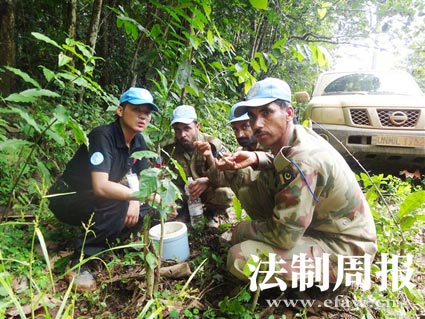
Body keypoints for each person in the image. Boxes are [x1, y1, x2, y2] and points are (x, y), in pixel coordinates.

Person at [217, 77, 377, 289]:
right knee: (255, 182)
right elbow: (283, 159)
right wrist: (257, 159)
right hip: (321, 228)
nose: (257, 124)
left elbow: (282, 236)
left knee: (240, 257)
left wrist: (240, 230)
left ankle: (328, 282)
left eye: (266, 113)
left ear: (289, 113)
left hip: (346, 251)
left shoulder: (304, 161)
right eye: (253, 116)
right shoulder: (296, 136)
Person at [48, 87, 163, 292]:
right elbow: (101, 187)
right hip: (67, 197)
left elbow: (141, 180)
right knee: (117, 203)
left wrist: (144, 200)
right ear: (120, 110)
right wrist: (133, 198)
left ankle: (111, 239)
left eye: (147, 112)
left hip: (94, 200)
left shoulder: (138, 141)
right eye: (137, 109)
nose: (143, 116)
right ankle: (80, 262)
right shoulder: (103, 136)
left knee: (153, 206)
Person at [161, 104, 234, 224]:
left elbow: (230, 177)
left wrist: (208, 180)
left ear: (197, 126)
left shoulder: (213, 145)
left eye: (186, 128)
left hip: (208, 194)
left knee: (225, 194)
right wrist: (167, 198)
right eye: (177, 130)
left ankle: (214, 213)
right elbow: (160, 178)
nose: (182, 135)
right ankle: (183, 214)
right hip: (182, 196)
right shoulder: (167, 149)